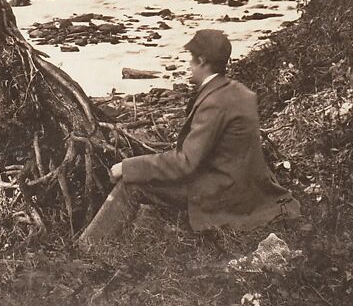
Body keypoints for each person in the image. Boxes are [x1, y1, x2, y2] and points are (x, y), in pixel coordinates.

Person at [80, 28, 299, 247]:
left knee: (131, 185)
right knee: (147, 172)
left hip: (222, 192)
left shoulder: (214, 103)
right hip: (240, 185)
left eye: (191, 61)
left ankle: (87, 248)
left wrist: (127, 167)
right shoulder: (240, 92)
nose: (188, 66)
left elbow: (186, 163)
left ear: (202, 62)